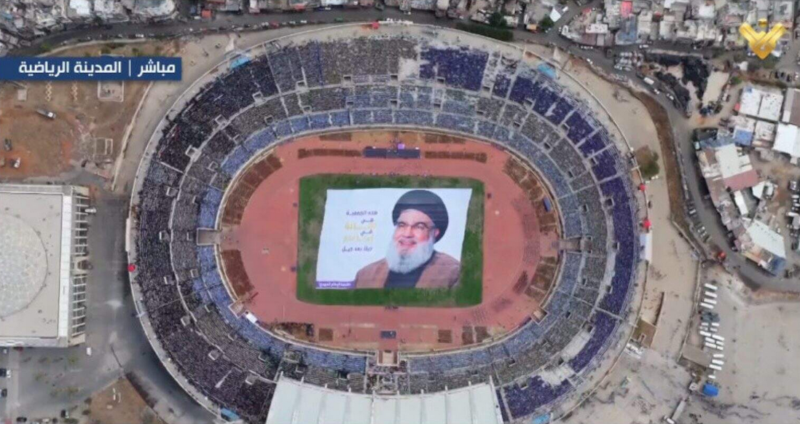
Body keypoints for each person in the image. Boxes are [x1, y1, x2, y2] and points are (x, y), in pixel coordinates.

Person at [354, 190, 461, 289]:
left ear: (434, 233)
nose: (407, 234)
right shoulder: (365, 275)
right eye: (402, 225)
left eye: (419, 226)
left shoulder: (454, 274)